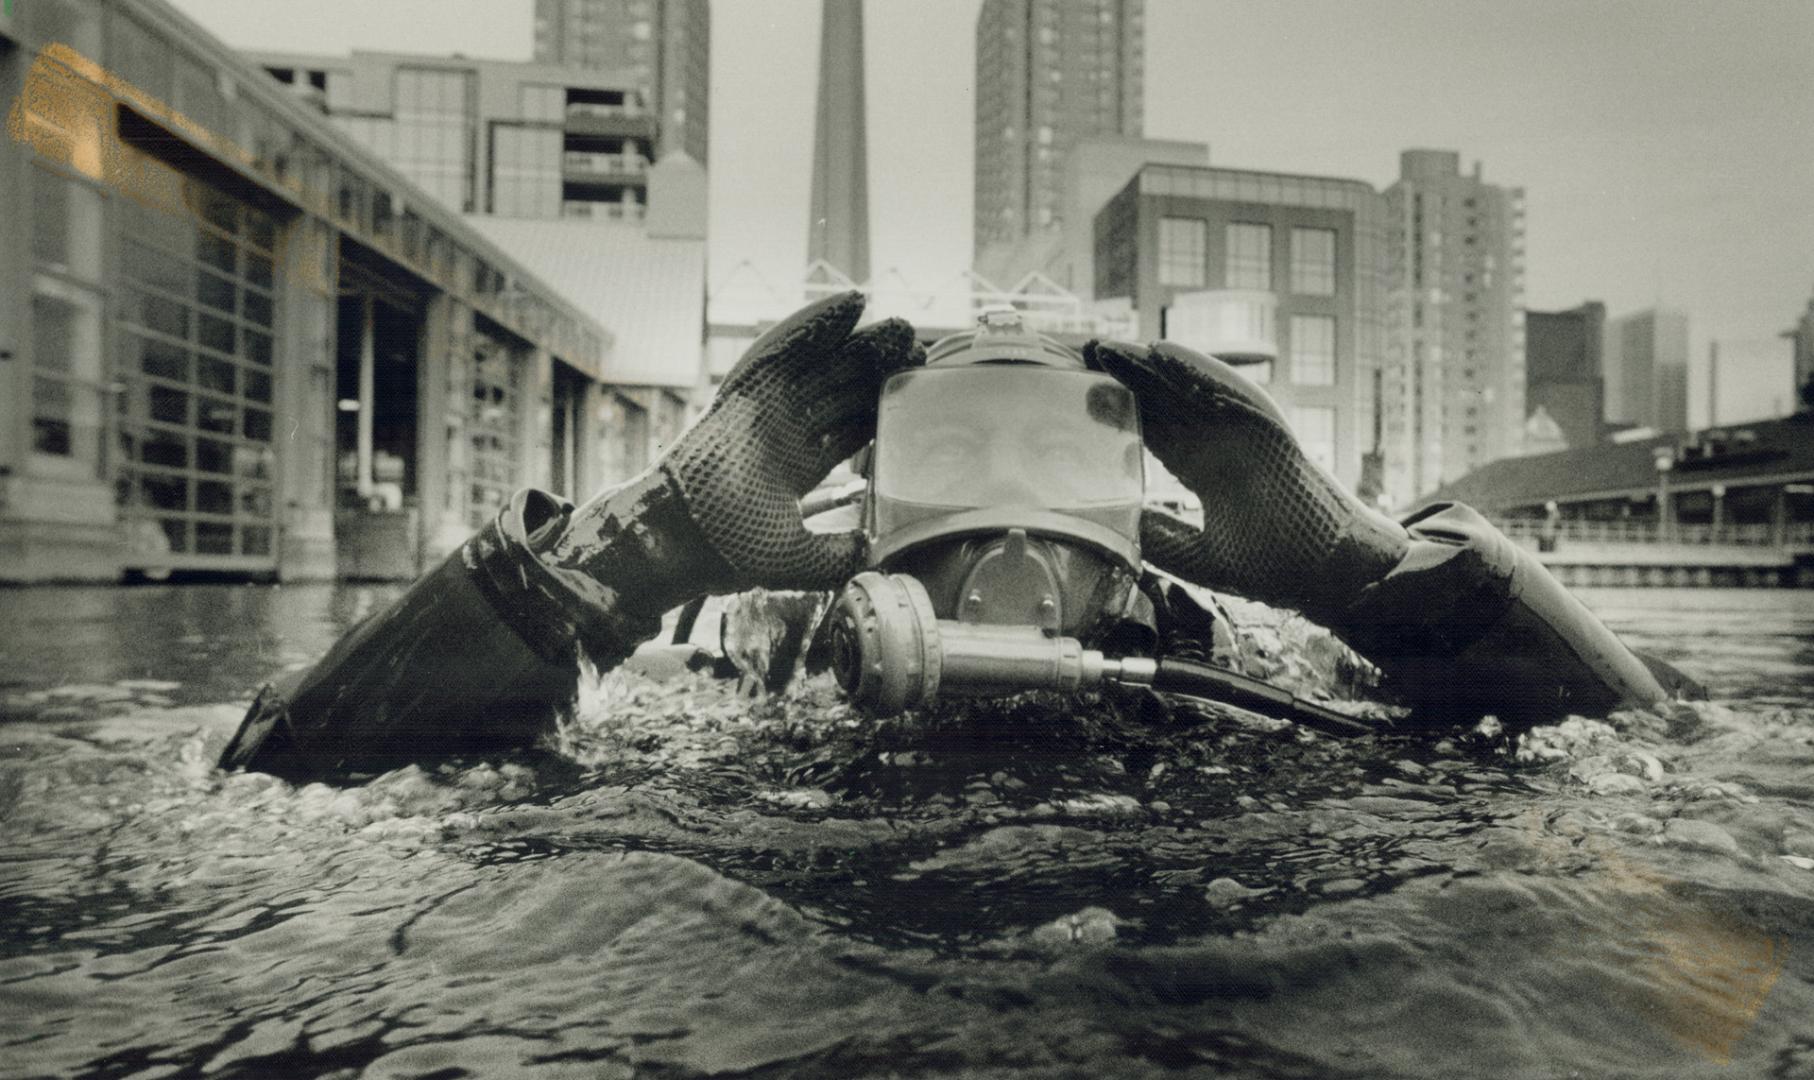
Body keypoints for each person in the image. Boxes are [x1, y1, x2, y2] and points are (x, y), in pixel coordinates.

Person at [220, 292, 1696, 778]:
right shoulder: (733, 700)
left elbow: (1651, 772)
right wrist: (626, 556)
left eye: (1057, 465)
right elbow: (277, 784)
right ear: (854, 511)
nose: (1006, 534)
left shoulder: (1253, 703)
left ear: (1144, 523)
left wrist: (1376, 581)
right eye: (950, 463)